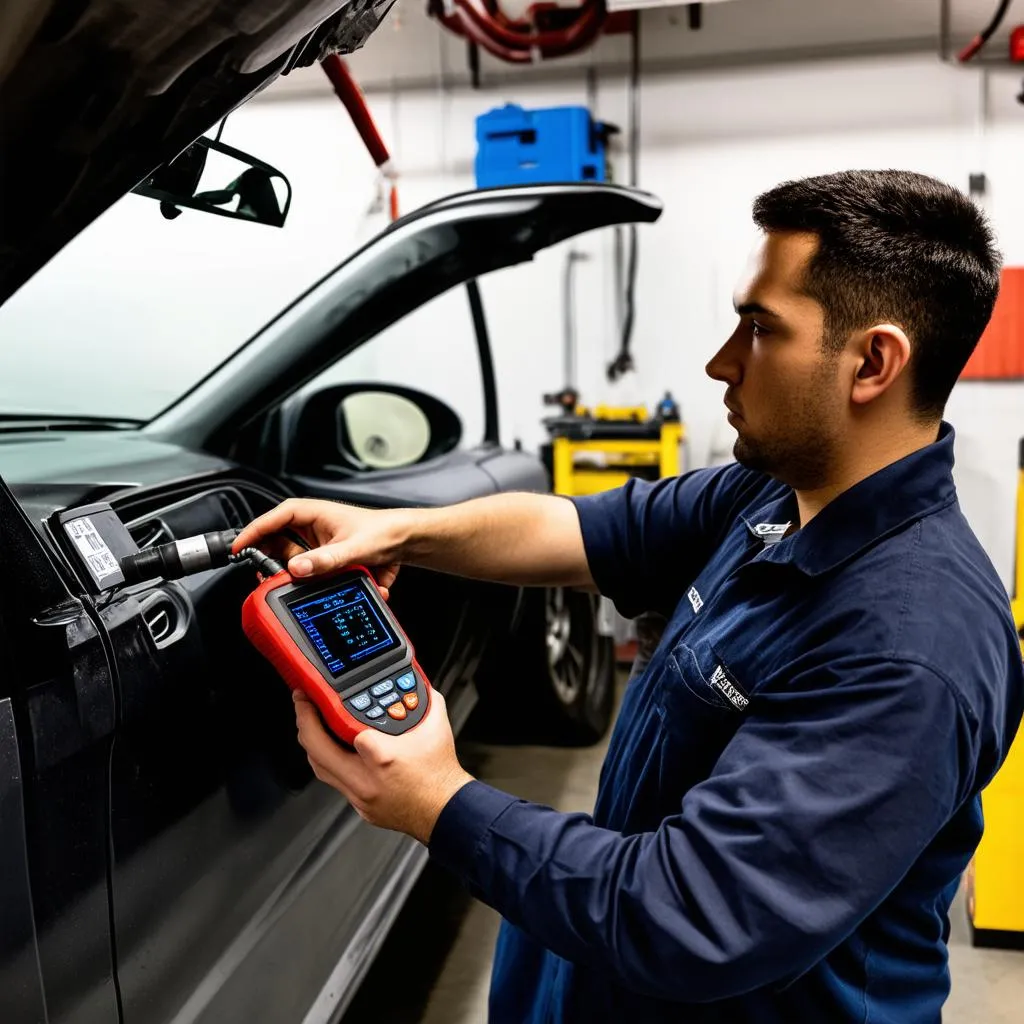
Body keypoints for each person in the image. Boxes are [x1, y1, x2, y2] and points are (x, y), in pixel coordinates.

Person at [233, 169, 1024, 1023]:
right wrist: (395, 531)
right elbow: (572, 530)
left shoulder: (911, 645)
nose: (722, 362)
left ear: (872, 361)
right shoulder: (772, 496)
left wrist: (437, 800)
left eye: (760, 330)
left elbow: (689, 917)